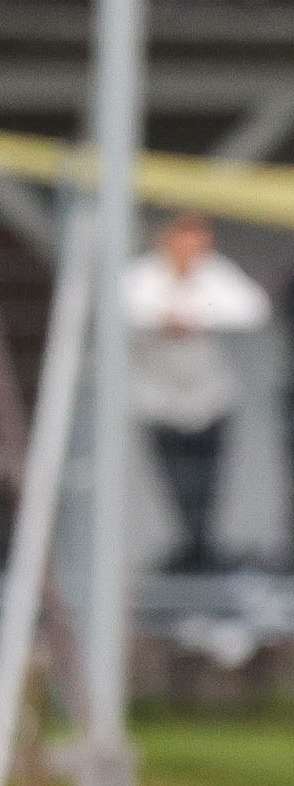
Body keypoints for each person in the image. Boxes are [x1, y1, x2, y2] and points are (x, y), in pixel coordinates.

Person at [125, 211, 270, 573]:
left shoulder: (214, 273)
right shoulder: (143, 275)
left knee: (207, 492)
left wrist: (197, 317)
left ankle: (201, 558)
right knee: (176, 491)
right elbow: (126, 307)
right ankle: (187, 558)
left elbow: (253, 310)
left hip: (210, 402)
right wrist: (166, 320)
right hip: (159, 405)